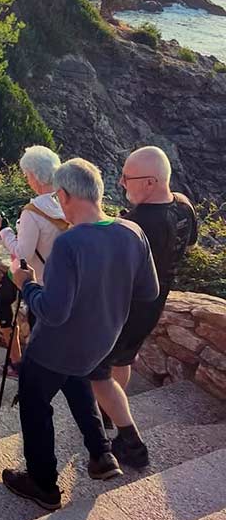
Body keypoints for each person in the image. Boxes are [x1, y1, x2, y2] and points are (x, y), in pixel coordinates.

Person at [5, 158, 159, 511]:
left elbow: (53, 311)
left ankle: (42, 484)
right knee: (78, 381)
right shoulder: (132, 232)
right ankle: (102, 455)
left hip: (53, 347)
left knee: (35, 404)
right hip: (101, 342)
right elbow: (148, 291)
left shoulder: (70, 244)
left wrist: (27, 286)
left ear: (64, 194)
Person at [89, 146, 198, 468]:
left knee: (95, 371)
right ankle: (109, 413)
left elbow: (109, 271)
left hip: (125, 307)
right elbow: (188, 244)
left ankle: (130, 441)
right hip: (156, 301)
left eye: (127, 177)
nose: (121, 183)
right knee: (123, 358)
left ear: (150, 182)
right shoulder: (184, 206)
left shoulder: (136, 223)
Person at [0, 146, 67, 378]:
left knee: (2, 299)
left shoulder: (33, 211)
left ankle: (20, 364)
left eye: (27, 175)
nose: (26, 179)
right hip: (56, 278)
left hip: (32, 276)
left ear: (35, 175)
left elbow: (22, 253)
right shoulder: (65, 201)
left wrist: (3, 230)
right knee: (41, 328)